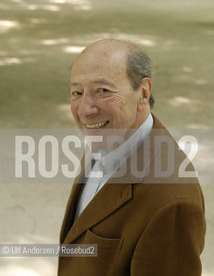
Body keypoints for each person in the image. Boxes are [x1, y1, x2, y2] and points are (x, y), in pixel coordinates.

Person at [58, 39, 206, 276]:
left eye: (103, 90)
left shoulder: (172, 202)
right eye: (77, 92)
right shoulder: (110, 136)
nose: (85, 109)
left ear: (143, 92)